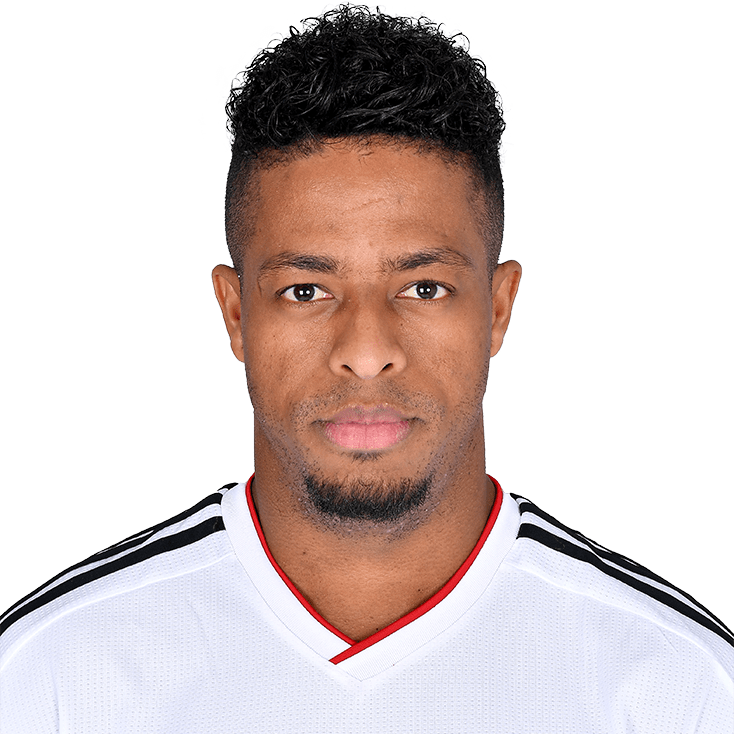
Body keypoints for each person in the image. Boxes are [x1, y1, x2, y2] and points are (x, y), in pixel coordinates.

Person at [1, 4, 732, 732]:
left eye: (424, 288)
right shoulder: (51, 673)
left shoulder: (680, 686)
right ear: (235, 314)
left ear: (498, 308)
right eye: (306, 291)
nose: (365, 351)